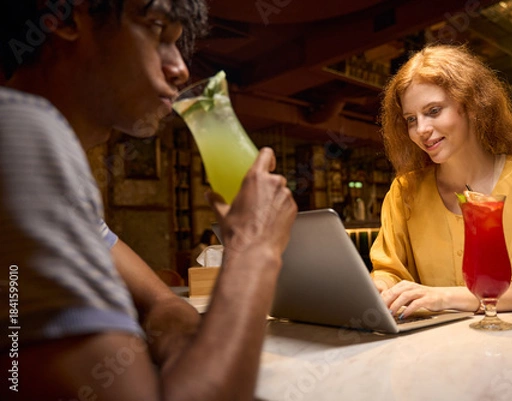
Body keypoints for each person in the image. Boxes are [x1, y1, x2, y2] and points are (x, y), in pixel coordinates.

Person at [0, 1, 297, 400]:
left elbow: (160, 302)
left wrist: (183, 354)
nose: (180, 68)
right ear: (70, 18)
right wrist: (255, 249)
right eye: (156, 30)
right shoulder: (21, 132)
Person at [371, 44, 512, 319]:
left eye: (433, 111)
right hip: (439, 348)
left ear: (471, 105)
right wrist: (380, 286)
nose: (421, 130)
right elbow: (389, 270)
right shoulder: (404, 191)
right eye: (410, 119)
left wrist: (442, 296)